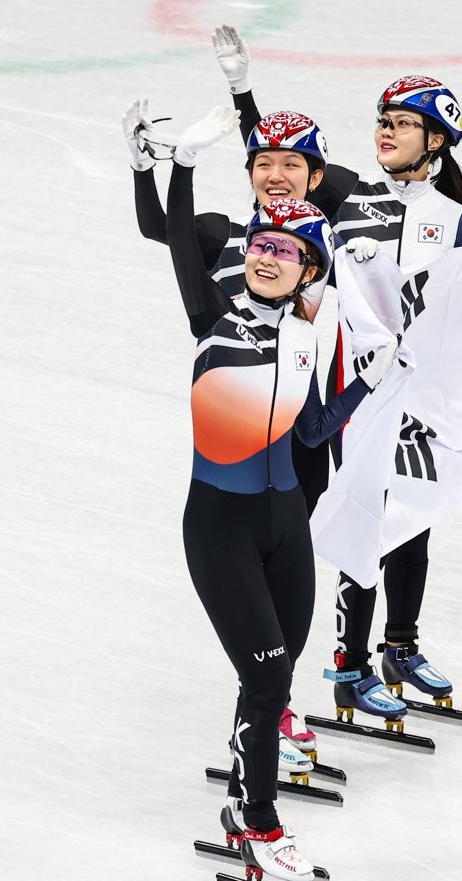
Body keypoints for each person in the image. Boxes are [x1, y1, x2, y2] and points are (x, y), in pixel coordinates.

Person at [129, 102, 396, 879]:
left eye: (287, 249)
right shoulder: (210, 314)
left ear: (312, 268)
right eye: (261, 245)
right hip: (220, 527)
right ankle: (260, 822)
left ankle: (253, 775)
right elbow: (179, 242)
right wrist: (177, 165)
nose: (268, 256)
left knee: (274, 673)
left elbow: (312, 434)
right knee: (267, 673)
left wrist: (361, 387)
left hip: (285, 526)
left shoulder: (312, 337)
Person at [212, 27, 462, 719]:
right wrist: (245, 98)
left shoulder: (447, 216)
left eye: (401, 124)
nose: (385, 133)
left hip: (412, 390)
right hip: (344, 395)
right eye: (381, 123)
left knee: (412, 522)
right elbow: (283, 172)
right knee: (361, 520)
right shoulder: (348, 200)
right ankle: (347, 663)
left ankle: (399, 645)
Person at [122, 100, 332, 758]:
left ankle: (272, 707)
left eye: (291, 164)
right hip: (239, 418)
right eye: (263, 162)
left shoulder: (322, 243)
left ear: (313, 175)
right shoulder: (225, 235)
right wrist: (146, 167)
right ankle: (268, 712)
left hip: (298, 421)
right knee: (255, 593)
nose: (276, 174)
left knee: (289, 580)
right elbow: (163, 229)